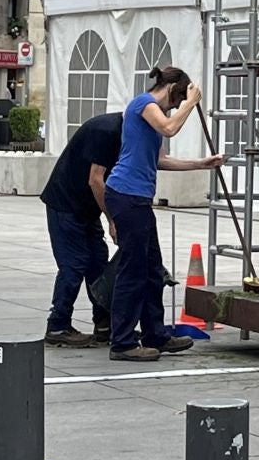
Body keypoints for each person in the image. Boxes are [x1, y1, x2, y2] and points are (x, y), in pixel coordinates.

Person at [44, 107, 223, 347]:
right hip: (65, 203)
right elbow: (95, 180)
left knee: (98, 262)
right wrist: (113, 219)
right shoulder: (106, 129)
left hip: (89, 208)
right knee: (74, 264)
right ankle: (58, 324)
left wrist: (201, 163)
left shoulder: (140, 129)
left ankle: (104, 324)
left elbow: (159, 160)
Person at [104, 67, 212, 362]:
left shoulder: (153, 116)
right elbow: (170, 127)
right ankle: (123, 342)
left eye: (180, 104)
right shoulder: (143, 104)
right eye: (176, 100)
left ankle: (155, 335)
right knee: (133, 271)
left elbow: (160, 160)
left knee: (153, 271)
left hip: (137, 198)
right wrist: (191, 102)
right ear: (172, 88)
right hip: (126, 196)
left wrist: (201, 164)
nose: (176, 106)